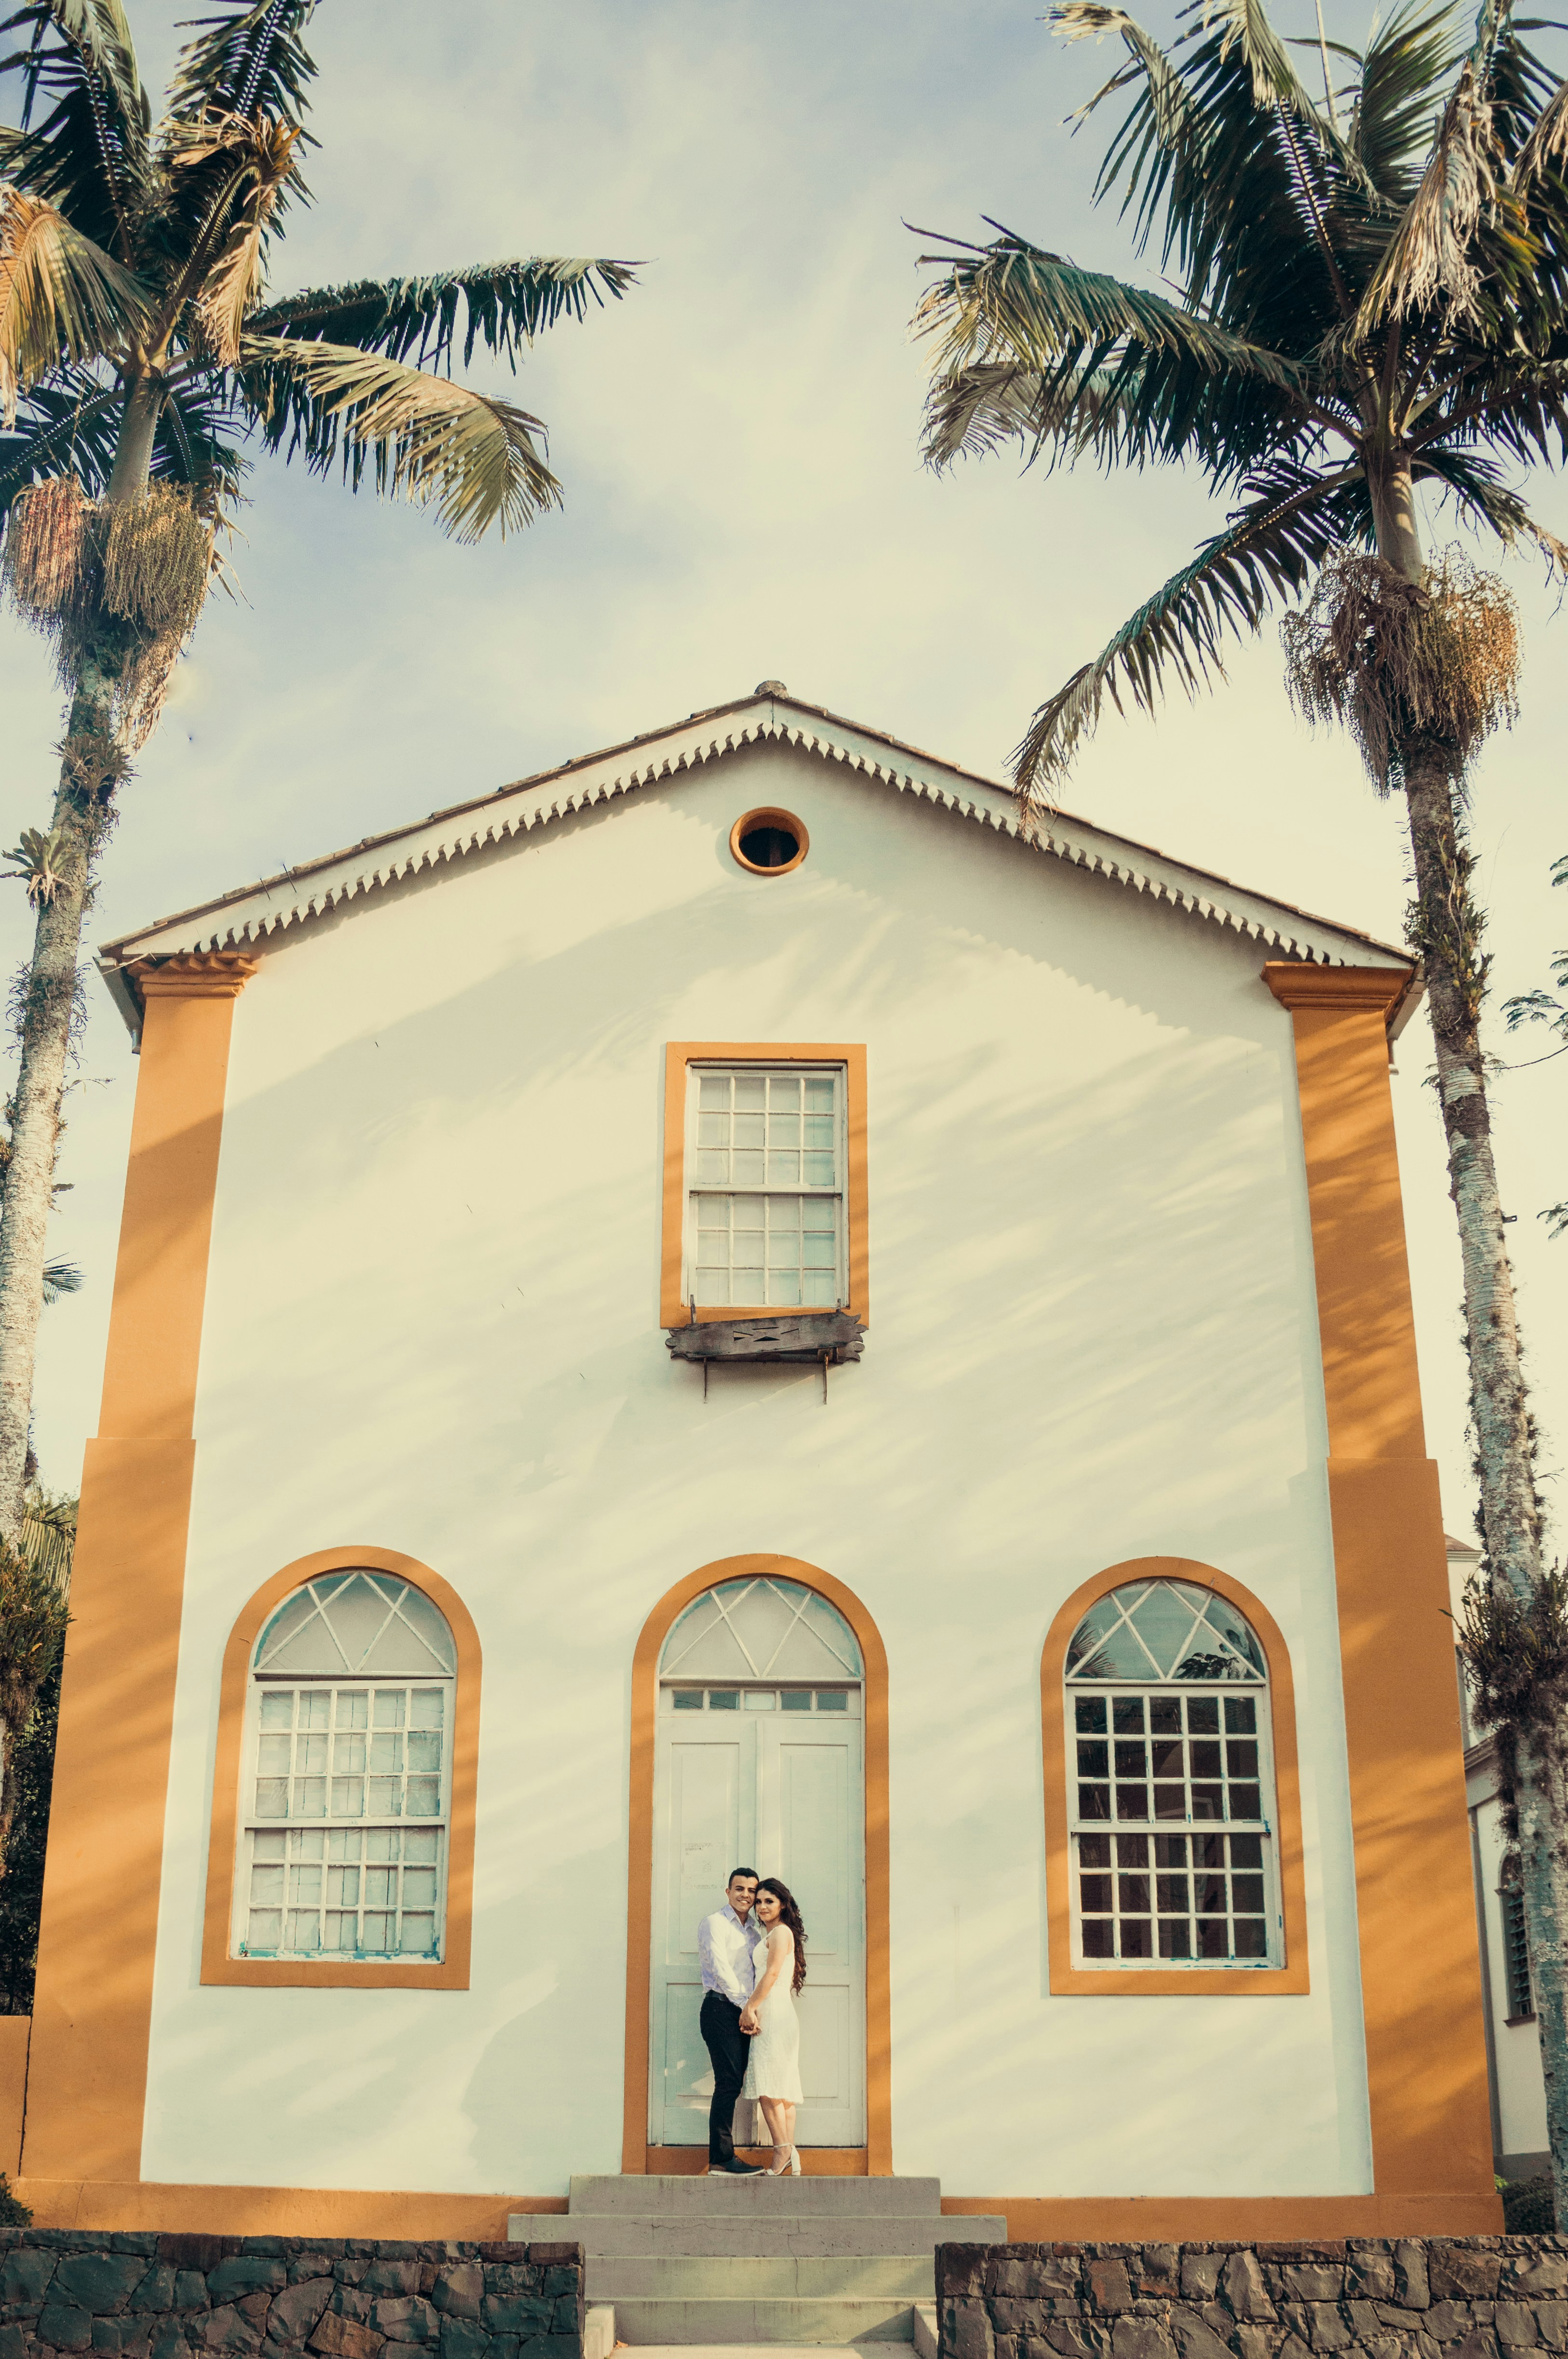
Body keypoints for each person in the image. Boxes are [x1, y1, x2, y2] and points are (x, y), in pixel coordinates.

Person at [697, 1867, 766, 2175]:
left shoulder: (754, 1932)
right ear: (728, 1892)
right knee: (728, 2083)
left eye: (751, 1891)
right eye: (740, 1889)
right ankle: (721, 2159)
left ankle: (722, 2157)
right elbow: (721, 1969)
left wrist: (753, 2008)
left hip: (743, 2011)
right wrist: (746, 2007)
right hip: (720, 2009)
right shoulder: (715, 1923)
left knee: (736, 2082)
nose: (746, 1895)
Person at [740, 1876, 807, 2177]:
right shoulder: (776, 1933)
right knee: (782, 2088)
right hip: (777, 2011)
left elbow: (773, 1973)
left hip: (774, 2013)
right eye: (760, 1902)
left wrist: (750, 2007)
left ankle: (782, 2151)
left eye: (770, 1901)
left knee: (769, 2088)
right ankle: (789, 2151)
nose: (763, 1906)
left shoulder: (780, 1933)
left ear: (783, 1904)